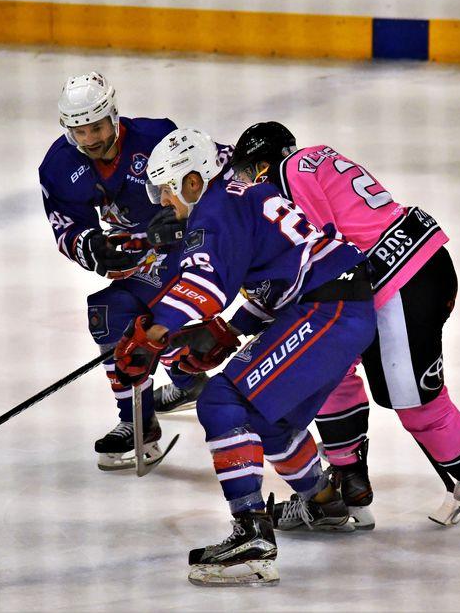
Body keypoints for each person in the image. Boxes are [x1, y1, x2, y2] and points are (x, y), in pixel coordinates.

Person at [229, 122, 460, 530]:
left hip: (398, 285)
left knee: (420, 410)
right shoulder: (318, 155)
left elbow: (323, 250)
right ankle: (348, 479)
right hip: (420, 264)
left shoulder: (287, 173)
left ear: (263, 165)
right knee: (328, 361)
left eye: (248, 174)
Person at [112, 128, 377, 586]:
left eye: (169, 191)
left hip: (326, 310)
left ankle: (251, 531)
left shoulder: (212, 209)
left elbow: (203, 287)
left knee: (220, 401)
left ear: (193, 181)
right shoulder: (245, 191)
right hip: (341, 308)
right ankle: (323, 502)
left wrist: (151, 336)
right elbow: (280, 280)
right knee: (270, 420)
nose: (166, 204)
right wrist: (228, 330)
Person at [38, 72, 211, 471]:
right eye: (79, 131)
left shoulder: (156, 138)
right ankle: (142, 417)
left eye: (96, 127)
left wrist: (184, 218)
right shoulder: (58, 166)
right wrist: (90, 247)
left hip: (182, 247)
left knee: (150, 314)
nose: (90, 139)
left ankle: (184, 383)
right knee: (109, 316)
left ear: (113, 115)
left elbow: (210, 174)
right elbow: (67, 226)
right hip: (136, 253)